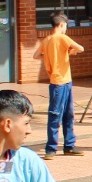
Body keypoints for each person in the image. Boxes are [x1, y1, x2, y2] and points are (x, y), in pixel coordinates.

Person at [32, 15, 83, 158]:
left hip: (58, 82)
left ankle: (66, 146)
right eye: (66, 25)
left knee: (64, 114)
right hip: (61, 82)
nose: (66, 28)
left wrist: (49, 56)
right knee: (58, 115)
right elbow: (81, 48)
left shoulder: (46, 40)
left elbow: (36, 55)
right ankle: (53, 148)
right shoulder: (62, 38)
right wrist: (71, 51)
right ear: (61, 24)